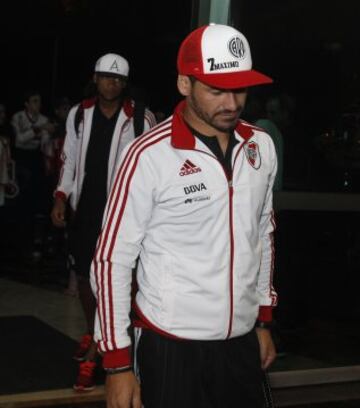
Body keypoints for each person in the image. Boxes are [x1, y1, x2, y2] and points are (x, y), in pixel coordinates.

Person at [91, 24, 278, 408]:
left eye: (240, 89)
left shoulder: (261, 147)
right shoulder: (148, 155)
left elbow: (262, 235)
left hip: (241, 343)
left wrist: (262, 320)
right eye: (216, 90)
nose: (231, 103)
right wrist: (117, 363)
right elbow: (112, 259)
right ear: (184, 84)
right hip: (170, 346)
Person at [50, 53, 156, 391]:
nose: (112, 83)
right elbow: (67, 160)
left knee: (113, 279)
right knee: (83, 277)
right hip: (85, 210)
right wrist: (61, 196)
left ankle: (97, 350)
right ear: (95, 79)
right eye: (106, 77)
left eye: (118, 79)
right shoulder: (80, 114)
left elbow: (152, 168)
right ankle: (93, 328)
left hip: (121, 214)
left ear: (125, 84)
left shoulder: (140, 117)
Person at [11, 91, 54, 258]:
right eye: (34, 101)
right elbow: (19, 140)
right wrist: (39, 131)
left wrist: (42, 133)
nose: (38, 105)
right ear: (27, 104)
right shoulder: (18, 117)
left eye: (39, 101)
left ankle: (34, 240)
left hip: (36, 160)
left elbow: (44, 142)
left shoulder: (43, 119)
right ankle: (18, 239)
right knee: (20, 199)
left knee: (34, 199)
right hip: (20, 159)